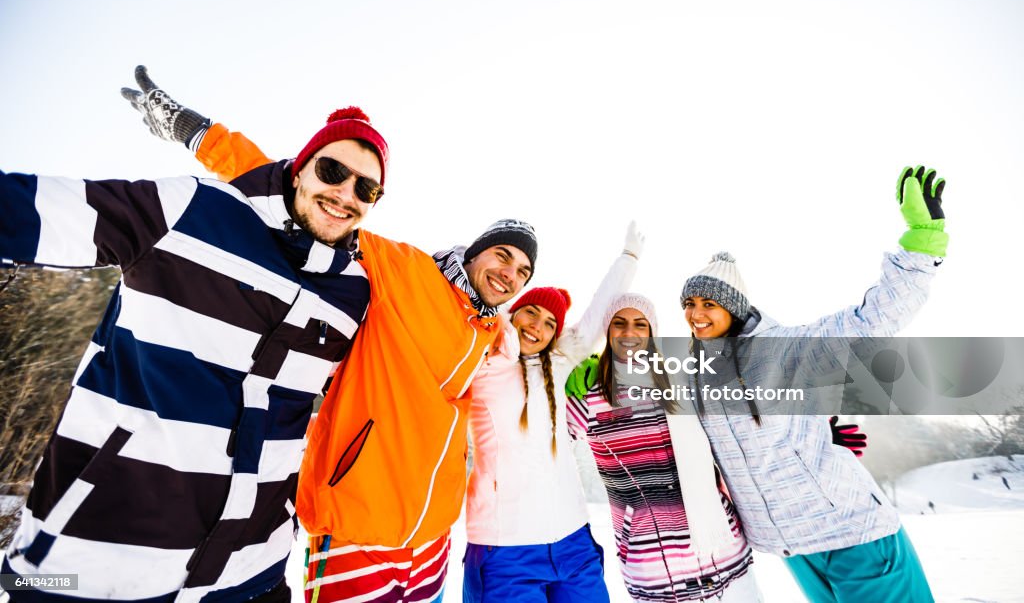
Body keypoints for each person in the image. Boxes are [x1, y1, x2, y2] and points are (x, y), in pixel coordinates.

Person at [119, 66, 538, 603]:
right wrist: (196, 132)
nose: (510, 273)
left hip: (431, 541)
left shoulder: (488, 332)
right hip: (355, 531)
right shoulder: (406, 272)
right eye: (503, 255)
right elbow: (311, 198)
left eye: (523, 272)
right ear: (477, 250)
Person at [1, 90, 390, 600]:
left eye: (367, 189)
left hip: (251, 573)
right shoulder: (194, 210)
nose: (346, 194)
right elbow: (33, 212)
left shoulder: (353, 292)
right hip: (89, 562)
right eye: (332, 172)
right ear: (298, 169)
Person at [671, 166, 947, 602]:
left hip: (853, 532)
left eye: (709, 303)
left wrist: (921, 241)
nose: (695, 312)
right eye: (689, 303)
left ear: (735, 309)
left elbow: (870, 321)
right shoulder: (693, 375)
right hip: (793, 547)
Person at [462, 222, 643, 602]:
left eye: (549, 323)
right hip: (504, 549)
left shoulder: (557, 363)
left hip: (573, 540)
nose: (537, 327)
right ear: (513, 312)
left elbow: (597, 313)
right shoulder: (485, 360)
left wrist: (629, 258)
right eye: (531, 313)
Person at [566, 294, 760, 602]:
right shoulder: (589, 394)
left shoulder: (684, 378)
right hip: (654, 567)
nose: (629, 333)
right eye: (619, 323)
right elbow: (543, 444)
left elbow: (743, 420)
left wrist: (823, 430)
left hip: (724, 553)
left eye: (640, 325)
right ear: (607, 330)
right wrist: (561, 370)